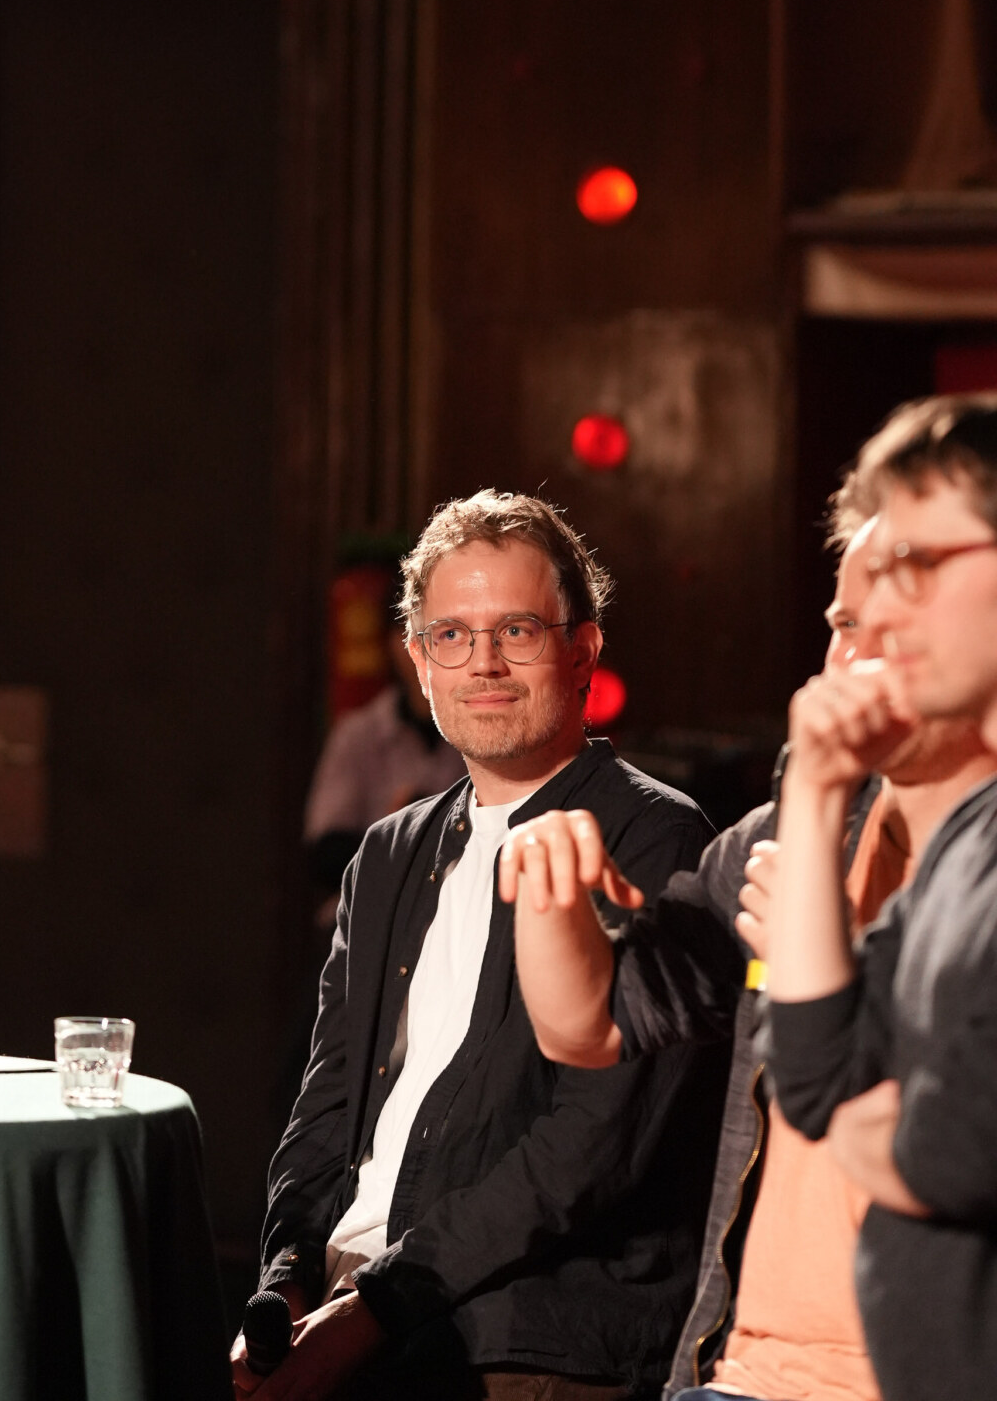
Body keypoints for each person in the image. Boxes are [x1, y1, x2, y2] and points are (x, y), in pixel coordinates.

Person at [500, 497, 997, 1401]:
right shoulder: (790, 834)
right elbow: (587, 1025)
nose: (851, 664)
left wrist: (823, 961)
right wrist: (546, 880)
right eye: (843, 625)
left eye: (893, 630)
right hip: (741, 1372)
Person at [238, 490, 726, 1401]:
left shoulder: (656, 838)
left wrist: (372, 1312)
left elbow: (595, 1145)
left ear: (583, 650)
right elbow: (327, 1103)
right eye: (453, 635)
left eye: (518, 631)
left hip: (525, 1332)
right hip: (355, 1299)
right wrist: (285, 1285)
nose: (485, 663)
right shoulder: (388, 852)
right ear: (419, 661)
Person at [761, 394, 997, 1401]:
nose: (885, 616)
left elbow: (954, 1149)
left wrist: (892, 1135)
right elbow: (816, 1081)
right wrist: (816, 794)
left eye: (918, 565)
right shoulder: (970, 836)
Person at [305, 604, 464, 893]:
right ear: (394, 642)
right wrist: (395, 831)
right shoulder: (359, 734)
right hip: (373, 900)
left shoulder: (477, 727)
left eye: (448, 635)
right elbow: (325, 852)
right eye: (417, 634)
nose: (429, 650)